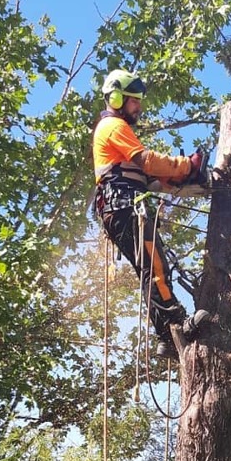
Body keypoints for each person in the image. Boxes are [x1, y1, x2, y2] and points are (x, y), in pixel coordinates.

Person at [91, 69, 210, 360]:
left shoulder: (116, 131)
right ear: (117, 99)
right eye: (134, 101)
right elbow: (146, 162)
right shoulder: (113, 127)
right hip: (122, 207)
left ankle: (165, 336)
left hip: (122, 206)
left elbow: (144, 178)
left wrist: (177, 182)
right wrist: (185, 166)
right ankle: (176, 324)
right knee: (155, 267)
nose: (139, 108)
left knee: (152, 266)